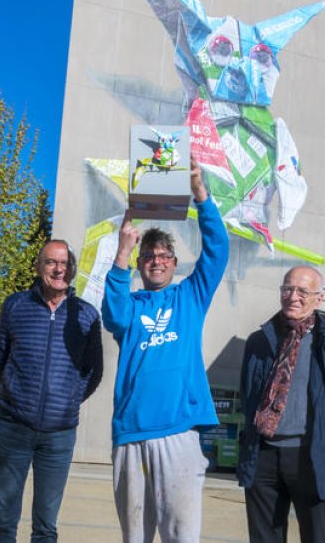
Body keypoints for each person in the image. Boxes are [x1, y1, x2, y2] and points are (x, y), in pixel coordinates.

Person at [102, 163, 230, 542]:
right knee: (135, 537)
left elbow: (218, 251)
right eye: (148, 256)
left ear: (175, 264)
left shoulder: (190, 296)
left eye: (164, 256)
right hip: (131, 433)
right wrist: (123, 250)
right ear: (140, 265)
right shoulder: (130, 305)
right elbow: (112, 315)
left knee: (181, 535)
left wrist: (199, 191)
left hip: (179, 433)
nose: (156, 261)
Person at [238, 266, 325, 542]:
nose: (292, 296)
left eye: (302, 291)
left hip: (313, 456)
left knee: (317, 537)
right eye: (287, 289)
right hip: (264, 456)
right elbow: (247, 393)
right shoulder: (259, 341)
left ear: (318, 299)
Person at [0, 240, 104, 543]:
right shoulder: (15, 305)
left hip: (59, 433)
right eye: (51, 262)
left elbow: (93, 370)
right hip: (13, 426)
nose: (58, 269)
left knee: (46, 524)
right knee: (4, 519)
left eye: (65, 263)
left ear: (73, 269)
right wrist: (16, 393)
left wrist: (67, 400)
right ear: (40, 266)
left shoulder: (87, 314)